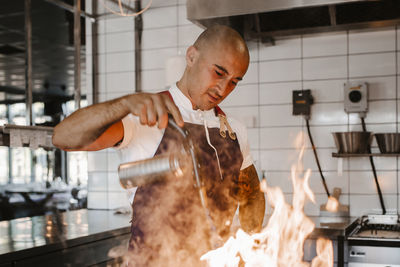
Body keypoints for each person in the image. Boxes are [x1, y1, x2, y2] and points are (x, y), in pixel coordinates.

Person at [53, 25, 265, 266]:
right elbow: (63, 137)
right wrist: (124, 104)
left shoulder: (234, 130)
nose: (223, 89)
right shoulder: (145, 117)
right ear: (192, 56)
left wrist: (252, 245)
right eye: (218, 73)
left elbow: (252, 194)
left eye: (234, 82)